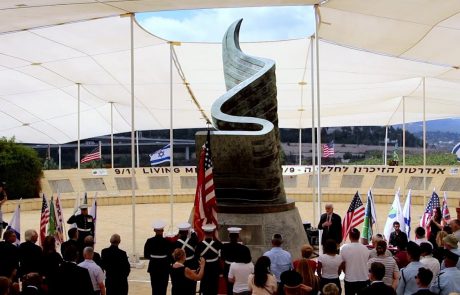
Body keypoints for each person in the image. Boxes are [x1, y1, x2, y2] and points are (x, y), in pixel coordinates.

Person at [144, 220, 172, 295]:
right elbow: (170, 256)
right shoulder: (167, 242)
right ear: (163, 230)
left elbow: (146, 255)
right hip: (164, 266)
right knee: (163, 287)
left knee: (154, 287)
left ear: (154, 230)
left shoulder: (149, 241)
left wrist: (154, 258)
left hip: (153, 266)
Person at [195, 223, 223, 295]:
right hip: (215, 268)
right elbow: (222, 256)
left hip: (204, 268)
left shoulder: (199, 244)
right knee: (214, 287)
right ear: (212, 232)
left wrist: (200, 266)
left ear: (204, 232)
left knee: (205, 285)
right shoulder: (218, 243)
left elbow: (196, 257)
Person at [222, 227, 251, 295]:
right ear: (238, 237)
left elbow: (222, 258)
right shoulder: (244, 248)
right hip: (240, 269)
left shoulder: (224, 247)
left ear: (229, 236)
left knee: (229, 287)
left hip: (228, 268)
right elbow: (248, 259)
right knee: (240, 287)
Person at [340, 228, 369, 295]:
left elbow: (342, 264)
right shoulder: (365, 248)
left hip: (350, 278)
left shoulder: (344, 248)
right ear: (359, 236)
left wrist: (345, 272)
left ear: (349, 237)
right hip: (363, 278)